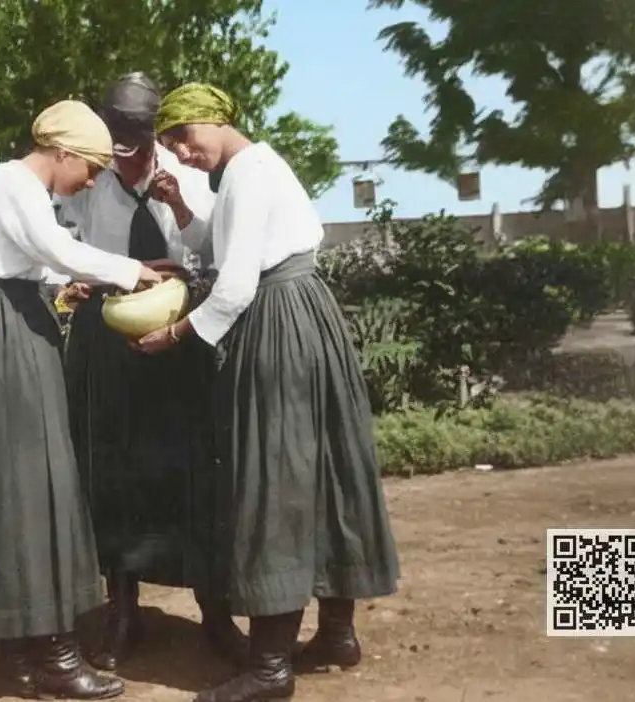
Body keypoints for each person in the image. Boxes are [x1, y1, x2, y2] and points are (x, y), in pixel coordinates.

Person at [136, 83, 401, 702]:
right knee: (322, 472)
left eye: (183, 136)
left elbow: (233, 289)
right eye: (170, 143)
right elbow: (222, 245)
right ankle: (336, 634)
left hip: (280, 320)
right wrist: (179, 209)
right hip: (303, 314)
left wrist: (174, 334)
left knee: (275, 478)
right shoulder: (245, 173)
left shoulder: (250, 173)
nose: (180, 151)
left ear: (215, 119)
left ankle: (270, 668)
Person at [0, 99, 162, 700]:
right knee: (33, 488)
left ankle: (24, 645)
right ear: (62, 153)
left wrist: (79, 281)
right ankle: (56, 656)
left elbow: (35, 259)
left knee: (15, 486)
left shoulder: (13, 188)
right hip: (5, 330)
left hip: (6, 316)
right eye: (87, 167)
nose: (88, 181)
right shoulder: (15, 182)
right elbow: (54, 247)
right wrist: (133, 271)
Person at [58, 72, 246, 671]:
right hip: (107, 339)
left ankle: (214, 613)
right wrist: (96, 275)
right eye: (115, 136)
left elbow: (222, 254)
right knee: (111, 470)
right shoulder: (85, 181)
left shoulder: (191, 172)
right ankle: (122, 613)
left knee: (192, 468)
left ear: (153, 133)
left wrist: (180, 211)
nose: (125, 149)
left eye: (135, 137)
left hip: (176, 339)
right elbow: (55, 244)